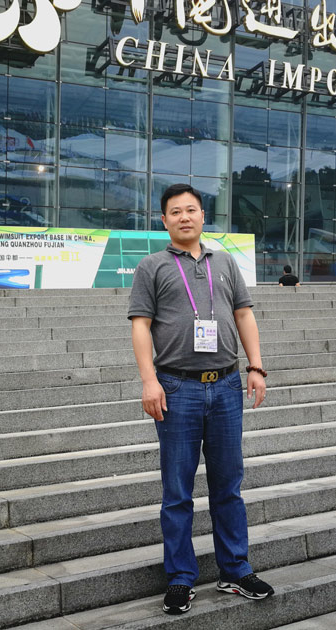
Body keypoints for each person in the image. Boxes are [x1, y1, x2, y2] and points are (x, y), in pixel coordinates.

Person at [128, 183, 273, 616]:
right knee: (177, 490)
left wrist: (256, 367)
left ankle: (235, 569)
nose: (184, 217)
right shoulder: (152, 266)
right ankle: (180, 578)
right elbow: (140, 325)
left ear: (203, 216)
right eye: (175, 212)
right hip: (177, 388)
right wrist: (149, 381)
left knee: (228, 485)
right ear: (164, 220)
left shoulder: (224, 262)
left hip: (226, 385)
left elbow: (244, 314)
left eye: (191, 210)